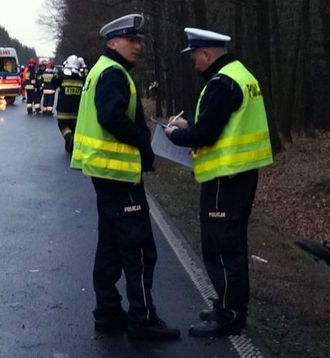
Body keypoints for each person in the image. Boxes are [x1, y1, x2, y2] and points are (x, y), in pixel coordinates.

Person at [70, 13, 179, 340]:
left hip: (105, 174)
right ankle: (142, 319)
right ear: (113, 42)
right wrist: (143, 138)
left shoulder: (100, 70)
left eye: (140, 40)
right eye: (132, 40)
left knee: (111, 246)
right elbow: (111, 117)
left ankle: (107, 311)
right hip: (119, 177)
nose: (138, 46)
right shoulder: (114, 74)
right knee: (140, 249)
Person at [165, 27, 273, 338]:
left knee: (222, 249)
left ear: (207, 54)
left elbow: (206, 135)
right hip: (239, 175)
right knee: (232, 246)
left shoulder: (221, 83)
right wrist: (193, 125)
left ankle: (229, 316)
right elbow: (221, 124)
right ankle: (229, 306)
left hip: (225, 179)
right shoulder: (240, 75)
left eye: (195, 57)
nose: (195, 63)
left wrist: (175, 134)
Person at [52, 54, 84, 153]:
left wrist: (60, 72)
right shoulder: (81, 78)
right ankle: (71, 145)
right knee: (74, 128)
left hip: (63, 111)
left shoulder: (62, 77)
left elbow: (53, 82)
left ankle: (69, 138)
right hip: (76, 112)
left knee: (63, 126)